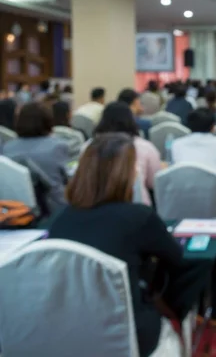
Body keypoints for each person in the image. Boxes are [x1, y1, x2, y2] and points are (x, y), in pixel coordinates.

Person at [46, 133, 191, 357]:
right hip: (129, 334)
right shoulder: (139, 218)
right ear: (125, 174)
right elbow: (177, 259)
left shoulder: (59, 219)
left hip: (68, 332)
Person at [3, 102, 69, 212]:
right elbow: (66, 180)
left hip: (16, 211)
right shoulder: (58, 146)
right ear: (48, 121)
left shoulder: (7, 148)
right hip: (54, 209)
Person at [93, 102, 161, 206]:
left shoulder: (89, 147)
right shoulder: (144, 146)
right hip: (137, 207)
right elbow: (154, 183)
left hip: (95, 206)